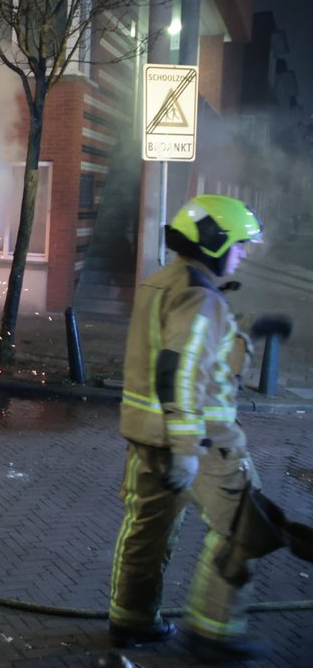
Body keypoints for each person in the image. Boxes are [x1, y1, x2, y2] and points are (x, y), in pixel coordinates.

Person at [107, 194, 288, 663]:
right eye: (240, 244)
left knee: (147, 528)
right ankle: (215, 633)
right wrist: (188, 449)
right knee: (241, 526)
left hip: (146, 435)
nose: (244, 253)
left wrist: (246, 325)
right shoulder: (199, 295)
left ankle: (132, 619)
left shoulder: (166, 282)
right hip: (200, 442)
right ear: (215, 241)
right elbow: (181, 368)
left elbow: (186, 337)